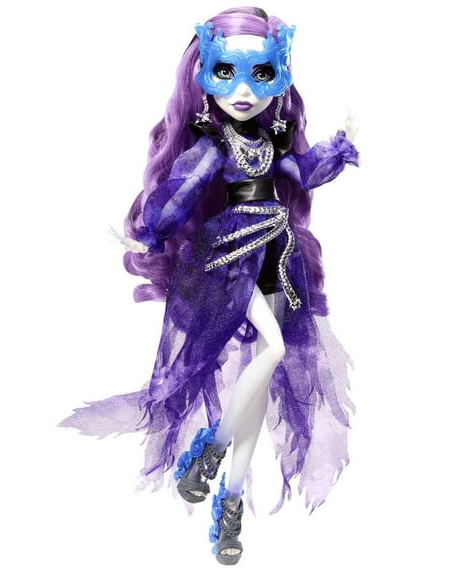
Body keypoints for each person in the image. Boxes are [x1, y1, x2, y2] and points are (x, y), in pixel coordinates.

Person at [60, 6, 358, 565]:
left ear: (280, 76)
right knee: (273, 349)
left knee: (259, 382)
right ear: (203, 77)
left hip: (277, 257)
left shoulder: (272, 140)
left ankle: (231, 502)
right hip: (228, 261)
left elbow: (303, 173)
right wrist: (149, 231)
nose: (244, 90)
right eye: (226, 73)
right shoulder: (213, 145)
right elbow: (181, 190)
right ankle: (209, 449)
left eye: (261, 74)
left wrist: (338, 149)